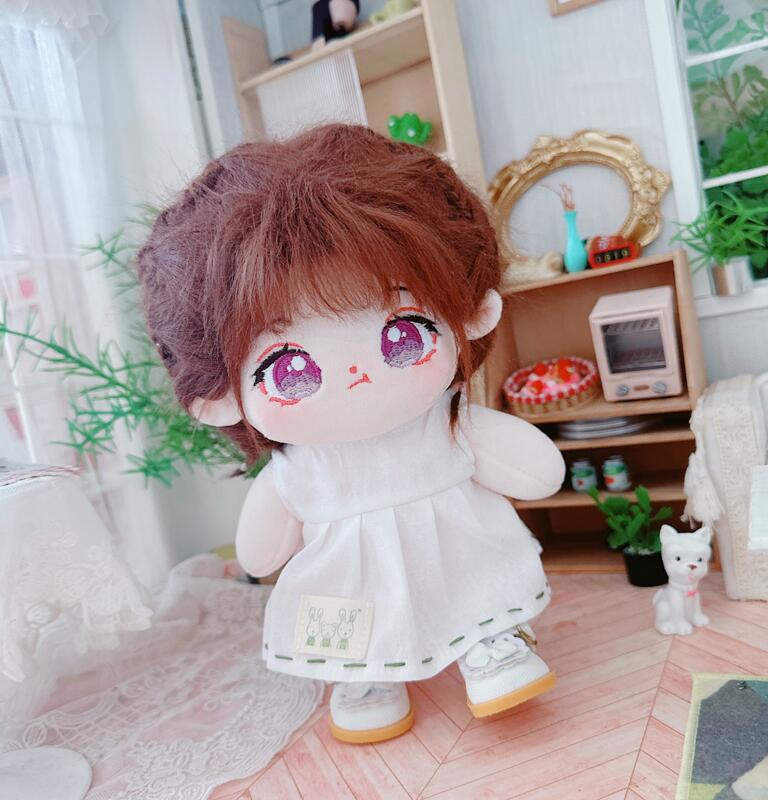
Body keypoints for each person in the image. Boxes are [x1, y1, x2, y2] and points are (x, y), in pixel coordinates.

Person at [138, 124, 565, 743]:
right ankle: (364, 675)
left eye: (403, 333)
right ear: (222, 395)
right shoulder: (299, 468)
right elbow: (261, 553)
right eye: (290, 367)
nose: (356, 376)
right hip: (344, 571)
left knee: (472, 582)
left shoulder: (446, 424)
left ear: (468, 314)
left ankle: (489, 641)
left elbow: (534, 470)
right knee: (346, 614)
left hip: (454, 545)